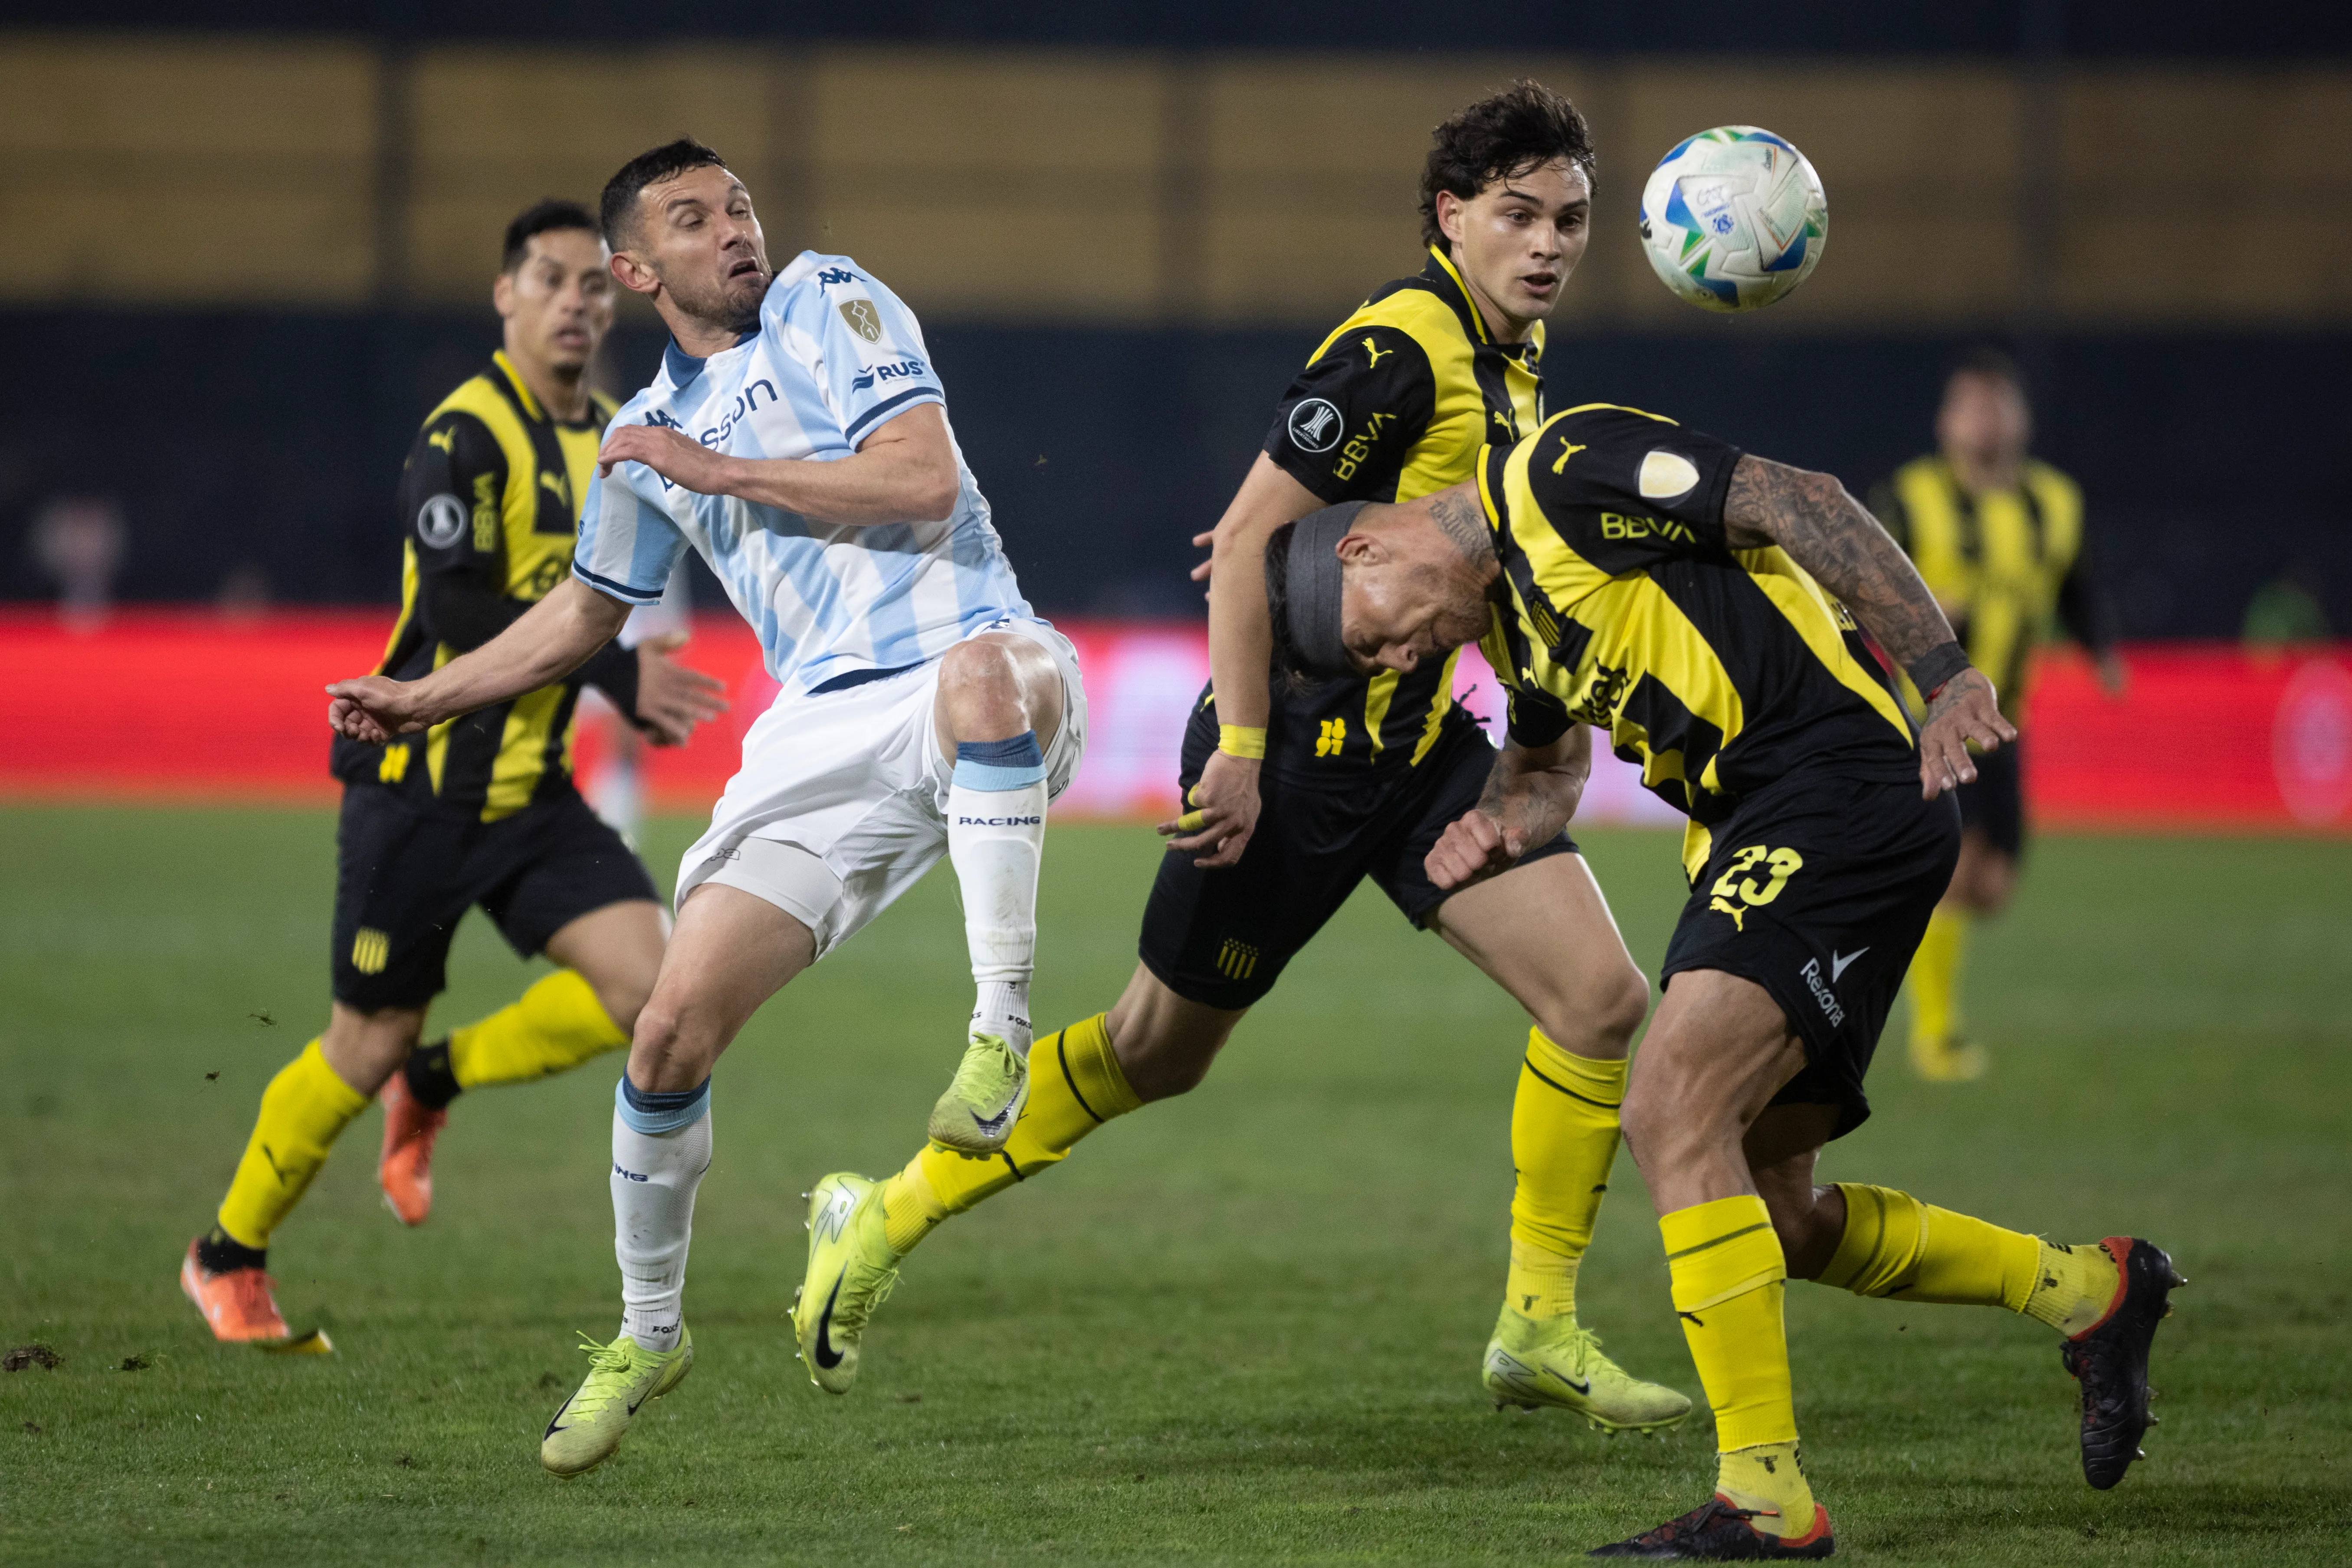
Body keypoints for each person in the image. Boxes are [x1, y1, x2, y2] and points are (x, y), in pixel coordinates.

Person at [791, 80, 1687, 1437]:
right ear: (1453, 216)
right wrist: (1246, 748)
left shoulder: (1520, 362)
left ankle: (1537, 1323)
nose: (1549, 242)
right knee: (1157, 1051)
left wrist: (1534, 742)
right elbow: (1244, 543)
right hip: (1296, 756)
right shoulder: (1400, 346)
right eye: (1518, 215)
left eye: (1568, 218)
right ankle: (881, 1211)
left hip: (1418, 750)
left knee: (1602, 1002)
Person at [1266, 402, 2180, 1558]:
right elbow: (1549, 765)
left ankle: (1765, 1498)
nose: (1398, 661)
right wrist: (1500, 818)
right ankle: (2085, 1288)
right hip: (1753, 833)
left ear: (1363, 549)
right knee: (1775, 1211)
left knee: (1666, 1104)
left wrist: (1946, 673)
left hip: (1833, 787)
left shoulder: (1557, 470)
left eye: (1371, 640)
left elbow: (1802, 499)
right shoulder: (1513, 629)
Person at [324, 139, 1088, 1477]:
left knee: (979, 678)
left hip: (985, 655)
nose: (734, 228)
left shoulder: (829, 299)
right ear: (636, 269)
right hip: (821, 728)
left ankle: (998, 1034)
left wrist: (719, 473)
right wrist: (427, 697)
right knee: (668, 1030)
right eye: (692, 218)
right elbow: (583, 615)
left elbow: (917, 479)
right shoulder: (640, 447)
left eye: (737, 204)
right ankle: (648, 1330)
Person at [179, 200, 728, 1349]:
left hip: (529, 794)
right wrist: (620, 681)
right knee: (358, 1039)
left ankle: (439, 1073)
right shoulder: (463, 433)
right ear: (506, 296)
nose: (575, 302)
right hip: (419, 790)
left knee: (659, 993)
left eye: (592, 285)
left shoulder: (618, 435)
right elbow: (455, 602)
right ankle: (227, 1253)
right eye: (550, 281)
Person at [1869, 350, 2123, 1082]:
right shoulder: (1909, 500)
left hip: (2010, 720)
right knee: (1955, 870)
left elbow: (2075, 587)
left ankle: (1891, 949)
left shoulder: (2056, 503)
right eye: (1969, 406)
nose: (1984, 421)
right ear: (1946, 421)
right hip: (1929, 720)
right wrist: (1917, 617)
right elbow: (1848, 591)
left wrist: (2101, 649)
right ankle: (1935, 1037)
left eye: (1996, 406)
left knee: (1994, 886)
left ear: (2020, 419)